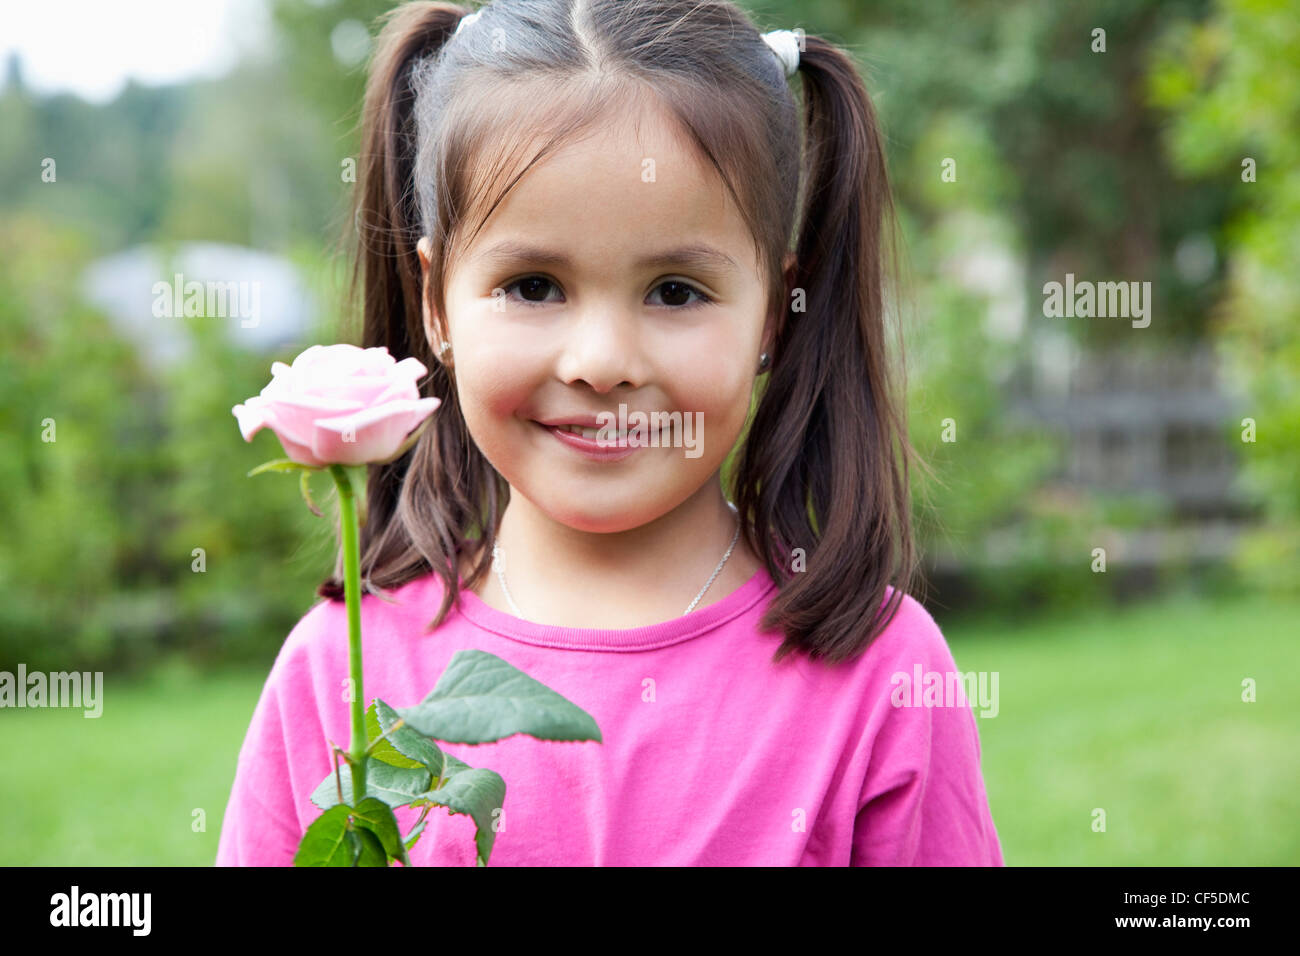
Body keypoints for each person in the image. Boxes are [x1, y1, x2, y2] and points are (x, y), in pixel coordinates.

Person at [215, 0, 1005, 866]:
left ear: (777, 311)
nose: (601, 362)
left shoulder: (880, 673)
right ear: (436, 301)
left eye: (675, 291)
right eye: (533, 285)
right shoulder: (342, 677)